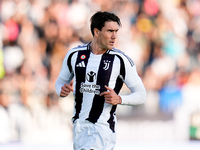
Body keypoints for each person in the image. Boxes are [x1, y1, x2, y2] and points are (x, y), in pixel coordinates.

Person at [55, 11, 146, 150]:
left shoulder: (120, 60)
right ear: (96, 32)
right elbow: (60, 82)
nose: (114, 36)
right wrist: (61, 90)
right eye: (110, 31)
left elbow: (141, 95)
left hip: (102, 129)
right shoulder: (75, 55)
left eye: (116, 31)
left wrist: (120, 99)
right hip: (79, 128)